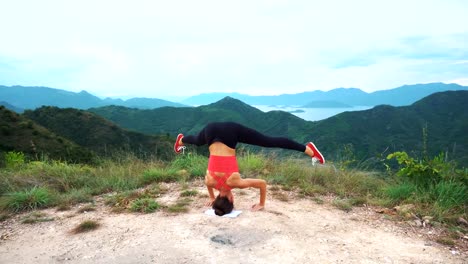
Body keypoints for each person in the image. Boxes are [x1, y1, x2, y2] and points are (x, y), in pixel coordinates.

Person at [173, 122, 325, 216]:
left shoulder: (235, 182)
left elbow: (262, 183)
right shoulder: (210, 181)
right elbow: (207, 184)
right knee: (199, 141)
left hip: (229, 134)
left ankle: (309, 150)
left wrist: (261, 204)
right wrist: (212, 198)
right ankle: (181, 140)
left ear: (232, 199)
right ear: (220, 197)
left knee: (269, 142)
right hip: (210, 129)